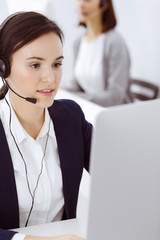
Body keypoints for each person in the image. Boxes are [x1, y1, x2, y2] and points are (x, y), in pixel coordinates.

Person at [0, 11, 92, 240]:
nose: (50, 78)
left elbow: (116, 172)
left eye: (57, 64)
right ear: (4, 69)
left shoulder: (71, 118)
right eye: (34, 65)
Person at [62, 0, 131, 107]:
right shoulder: (79, 42)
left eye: (87, 0)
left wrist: (74, 97)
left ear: (103, 5)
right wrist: (61, 90)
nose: (80, 5)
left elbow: (115, 98)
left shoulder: (114, 42)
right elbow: (77, 86)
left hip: (114, 113)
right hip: (90, 108)